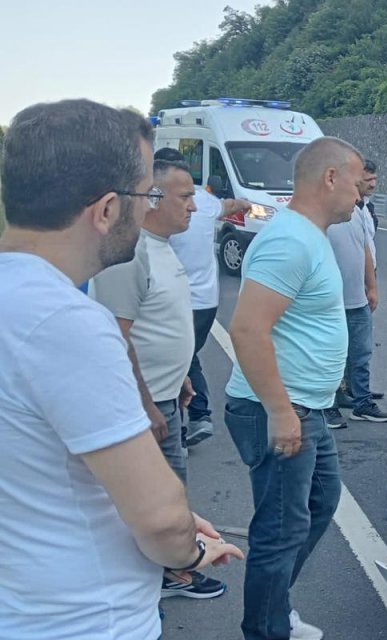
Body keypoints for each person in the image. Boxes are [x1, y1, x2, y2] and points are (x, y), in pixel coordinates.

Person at [0, 99, 242, 639]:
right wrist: (191, 546)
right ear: (107, 209)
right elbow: (158, 517)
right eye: (146, 194)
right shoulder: (67, 321)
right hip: (82, 622)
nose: (149, 207)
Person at [223, 136, 364, 640]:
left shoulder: (308, 235)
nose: (359, 193)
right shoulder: (289, 239)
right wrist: (281, 413)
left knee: (319, 505)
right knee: (280, 531)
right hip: (279, 409)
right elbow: (247, 329)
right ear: (330, 178)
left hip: (307, 408)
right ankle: (265, 629)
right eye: (355, 180)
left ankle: (275, 610)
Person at [90, 155, 229, 600]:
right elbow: (115, 337)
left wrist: (182, 375)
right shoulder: (131, 255)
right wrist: (146, 403)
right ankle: (149, 584)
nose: (193, 206)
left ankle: (170, 572)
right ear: (151, 198)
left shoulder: (162, 246)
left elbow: (160, 325)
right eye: (186, 196)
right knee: (148, 503)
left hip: (165, 396)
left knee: (170, 493)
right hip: (141, 406)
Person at [161, 146, 250, 447]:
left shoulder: (160, 209)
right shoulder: (205, 200)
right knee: (186, 357)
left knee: (176, 360)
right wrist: (247, 204)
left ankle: (183, 427)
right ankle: (198, 416)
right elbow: (230, 206)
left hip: (177, 301)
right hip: (206, 302)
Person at [323, 164, 387, 429]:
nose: (361, 191)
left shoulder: (359, 211)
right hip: (330, 301)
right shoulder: (324, 215)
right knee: (331, 356)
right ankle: (328, 405)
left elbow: (365, 250)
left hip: (357, 298)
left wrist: (371, 287)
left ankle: (361, 403)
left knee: (361, 353)